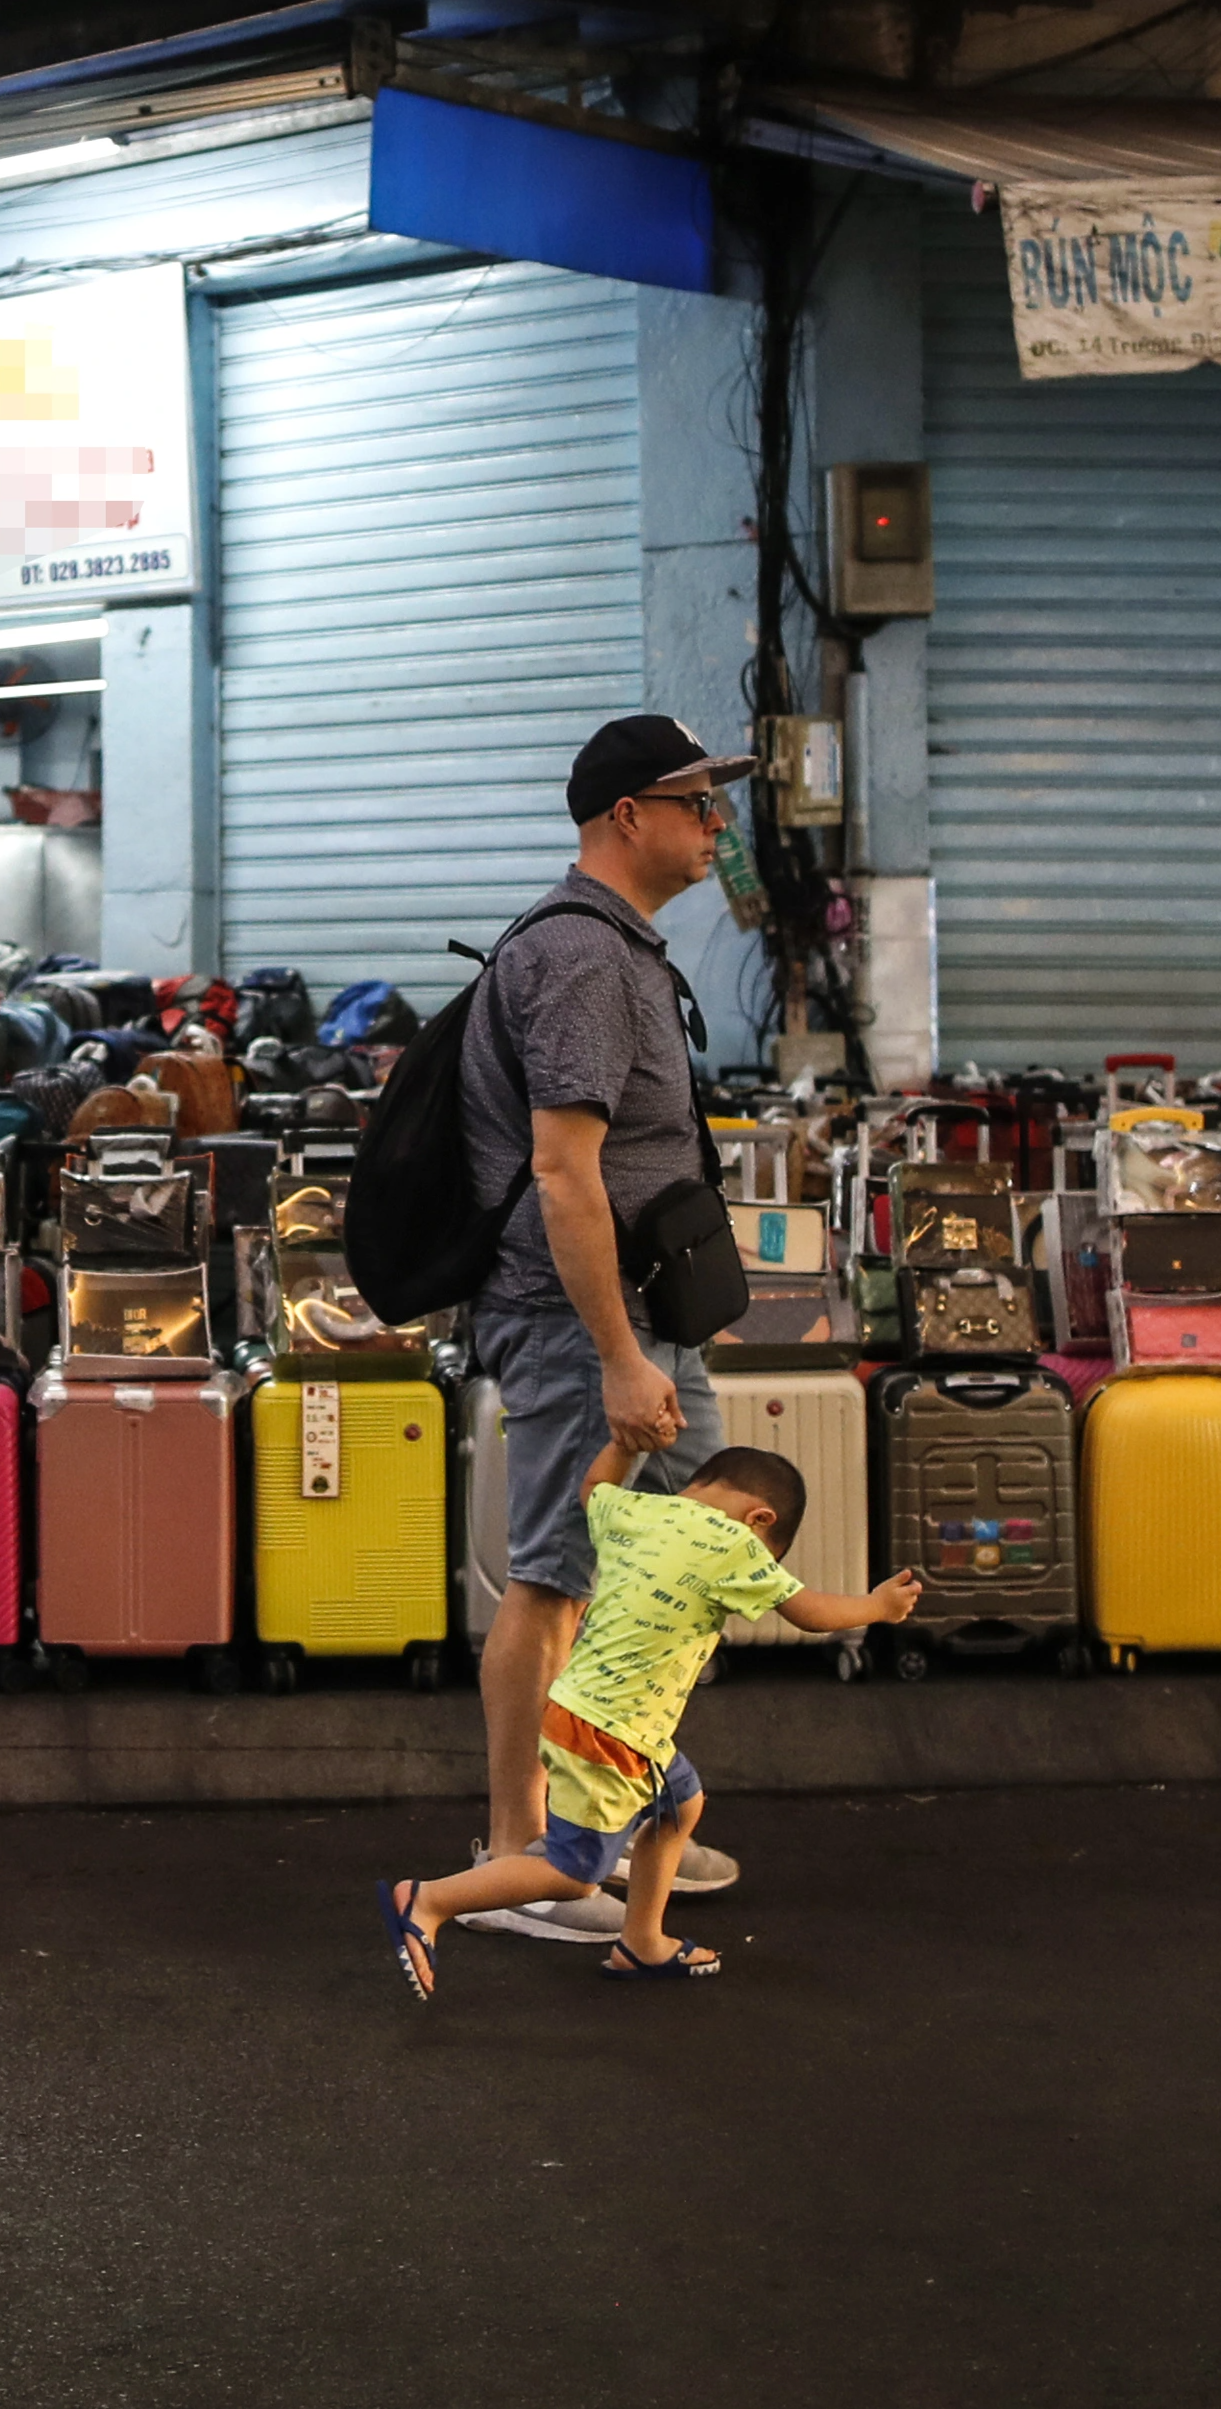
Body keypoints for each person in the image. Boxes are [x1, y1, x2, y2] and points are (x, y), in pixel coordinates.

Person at [458, 712, 761, 1943]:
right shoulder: (581, 958)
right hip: (583, 1323)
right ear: (626, 816)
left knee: (678, 1561)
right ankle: (520, 1855)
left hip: (642, 1318)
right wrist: (620, 1355)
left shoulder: (621, 948)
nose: (717, 826)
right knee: (550, 1580)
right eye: (698, 803)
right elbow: (564, 1172)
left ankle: (612, 1808)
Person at [383, 1440, 919, 1994]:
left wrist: (623, 1445)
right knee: (572, 1874)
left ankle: (641, 1941)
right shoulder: (734, 1541)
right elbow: (808, 1613)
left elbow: (592, 1490)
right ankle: (430, 1900)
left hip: (600, 1716)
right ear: (760, 1519)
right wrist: (878, 1607)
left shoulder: (639, 1509)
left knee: (680, 1804)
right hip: (612, 1733)